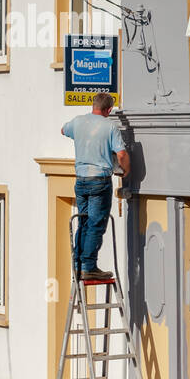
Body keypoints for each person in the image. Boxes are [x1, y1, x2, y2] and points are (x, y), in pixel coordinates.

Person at [61, 92, 130, 280]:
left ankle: (78, 265)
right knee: (96, 224)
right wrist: (126, 171)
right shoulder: (109, 126)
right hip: (99, 181)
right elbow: (121, 154)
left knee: (83, 222)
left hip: (81, 180)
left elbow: (63, 130)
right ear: (108, 110)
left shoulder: (77, 121)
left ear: (93, 106)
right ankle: (89, 266)